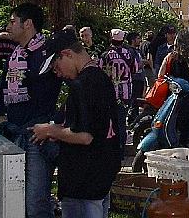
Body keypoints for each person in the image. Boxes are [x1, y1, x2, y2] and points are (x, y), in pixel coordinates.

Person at [30, 30, 121, 218]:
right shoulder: (101, 78)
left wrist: (49, 130)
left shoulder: (83, 84)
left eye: (56, 66)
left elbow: (85, 136)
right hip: (99, 178)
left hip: (83, 183)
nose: (58, 73)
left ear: (67, 54)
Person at [0, 3, 63, 218]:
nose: (8, 26)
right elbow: (0, 88)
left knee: (35, 203)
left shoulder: (47, 53)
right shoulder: (16, 55)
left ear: (28, 24)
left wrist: (50, 124)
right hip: (12, 134)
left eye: (13, 21)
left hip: (36, 137)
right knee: (13, 200)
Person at [158, 29, 189, 143]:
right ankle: (182, 149)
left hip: (170, 97)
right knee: (184, 129)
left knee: (171, 124)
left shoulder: (169, 57)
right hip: (185, 98)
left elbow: (160, 75)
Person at [98, 28, 136, 154]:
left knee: (109, 122)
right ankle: (121, 150)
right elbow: (135, 69)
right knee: (121, 122)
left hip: (110, 93)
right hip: (125, 93)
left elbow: (100, 71)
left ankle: (110, 149)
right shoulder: (130, 53)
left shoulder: (105, 54)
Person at [125, 31, 146, 126]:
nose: (140, 40)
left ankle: (135, 118)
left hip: (140, 78)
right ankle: (132, 119)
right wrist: (142, 63)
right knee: (134, 100)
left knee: (137, 100)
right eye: (137, 38)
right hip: (134, 79)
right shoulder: (130, 51)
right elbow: (134, 65)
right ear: (133, 40)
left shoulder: (138, 51)